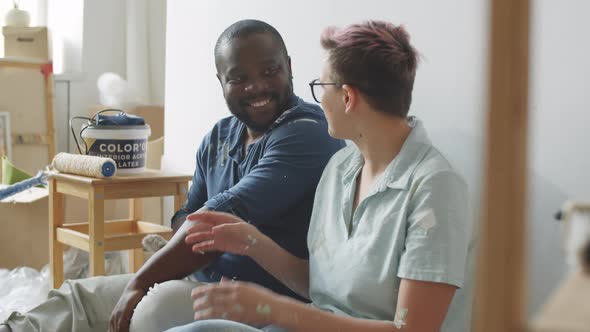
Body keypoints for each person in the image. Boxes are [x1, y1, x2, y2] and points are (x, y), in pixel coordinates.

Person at [0, 19, 344, 332]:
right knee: (76, 298)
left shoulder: (307, 132)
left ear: (289, 68)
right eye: (239, 78)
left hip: (260, 301)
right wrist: (189, 246)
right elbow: (185, 217)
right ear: (221, 81)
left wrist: (142, 282)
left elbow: (218, 217)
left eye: (270, 72)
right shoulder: (220, 137)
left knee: (147, 311)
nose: (256, 87)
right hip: (200, 280)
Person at [164, 20, 475, 332]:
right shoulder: (340, 167)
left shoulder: (434, 188)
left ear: (347, 98)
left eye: (321, 86)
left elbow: (413, 330)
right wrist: (250, 241)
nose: (317, 100)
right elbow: (320, 287)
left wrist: (274, 309)